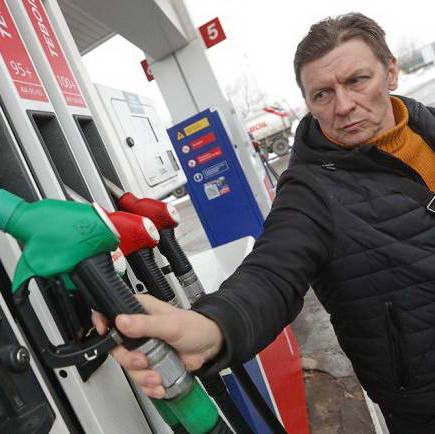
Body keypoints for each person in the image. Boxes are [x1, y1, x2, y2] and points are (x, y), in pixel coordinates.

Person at [92, 12, 435, 433]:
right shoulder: (310, 192)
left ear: (391, 72)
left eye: (357, 80)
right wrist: (211, 327)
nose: (343, 106)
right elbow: (271, 273)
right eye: (322, 94)